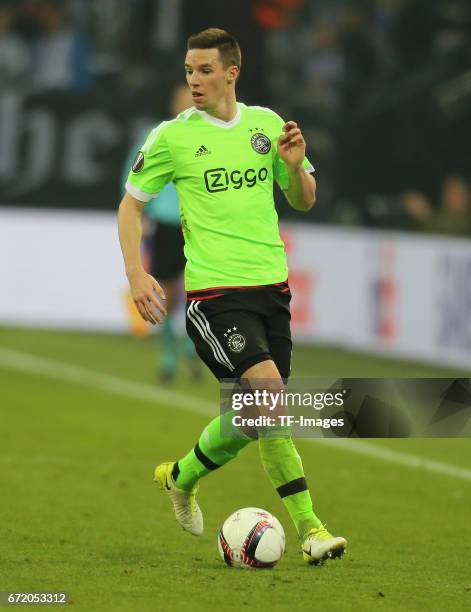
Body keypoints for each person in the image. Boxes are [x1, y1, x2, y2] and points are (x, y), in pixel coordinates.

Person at [118, 28, 347, 565]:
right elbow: (130, 206)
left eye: (203, 70)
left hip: (272, 289)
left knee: (254, 416)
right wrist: (136, 273)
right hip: (214, 296)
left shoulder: (267, 126)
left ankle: (180, 475)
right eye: (188, 71)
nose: (194, 80)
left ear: (231, 72)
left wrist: (294, 167)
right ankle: (312, 530)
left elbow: (304, 199)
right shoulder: (171, 137)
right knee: (270, 398)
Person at [124, 84, 201, 382]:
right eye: (181, 98)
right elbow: (131, 179)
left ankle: (193, 346)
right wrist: (141, 213)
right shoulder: (157, 136)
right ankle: (170, 354)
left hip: (199, 225)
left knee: (199, 293)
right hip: (168, 225)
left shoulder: (212, 136)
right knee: (167, 294)